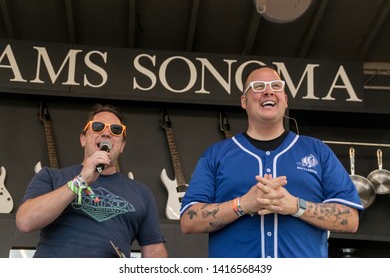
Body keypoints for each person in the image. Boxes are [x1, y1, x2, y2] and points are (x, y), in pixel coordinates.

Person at [180, 66, 363, 258]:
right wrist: (242, 204)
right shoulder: (216, 155)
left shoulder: (317, 151)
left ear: (285, 99)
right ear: (244, 101)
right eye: (258, 86)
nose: (268, 91)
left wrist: (295, 205)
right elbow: (188, 221)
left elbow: (350, 219)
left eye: (276, 86)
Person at [16, 103, 168, 258]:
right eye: (97, 127)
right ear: (83, 139)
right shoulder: (51, 176)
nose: (106, 134)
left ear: (122, 146)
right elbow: (26, 221)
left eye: (116, 130)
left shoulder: (141, 193)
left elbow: (154, 251)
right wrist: (81, 180)